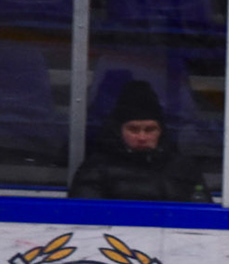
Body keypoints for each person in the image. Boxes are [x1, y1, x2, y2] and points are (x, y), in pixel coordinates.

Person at [68, 80, 212, 203]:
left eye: (150, 129)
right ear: (118, 131)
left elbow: (203, 214)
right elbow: (85, 216)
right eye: (133, 129)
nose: (142, 137)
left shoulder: (184, 168)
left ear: (161, 132)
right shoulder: (96, 169)